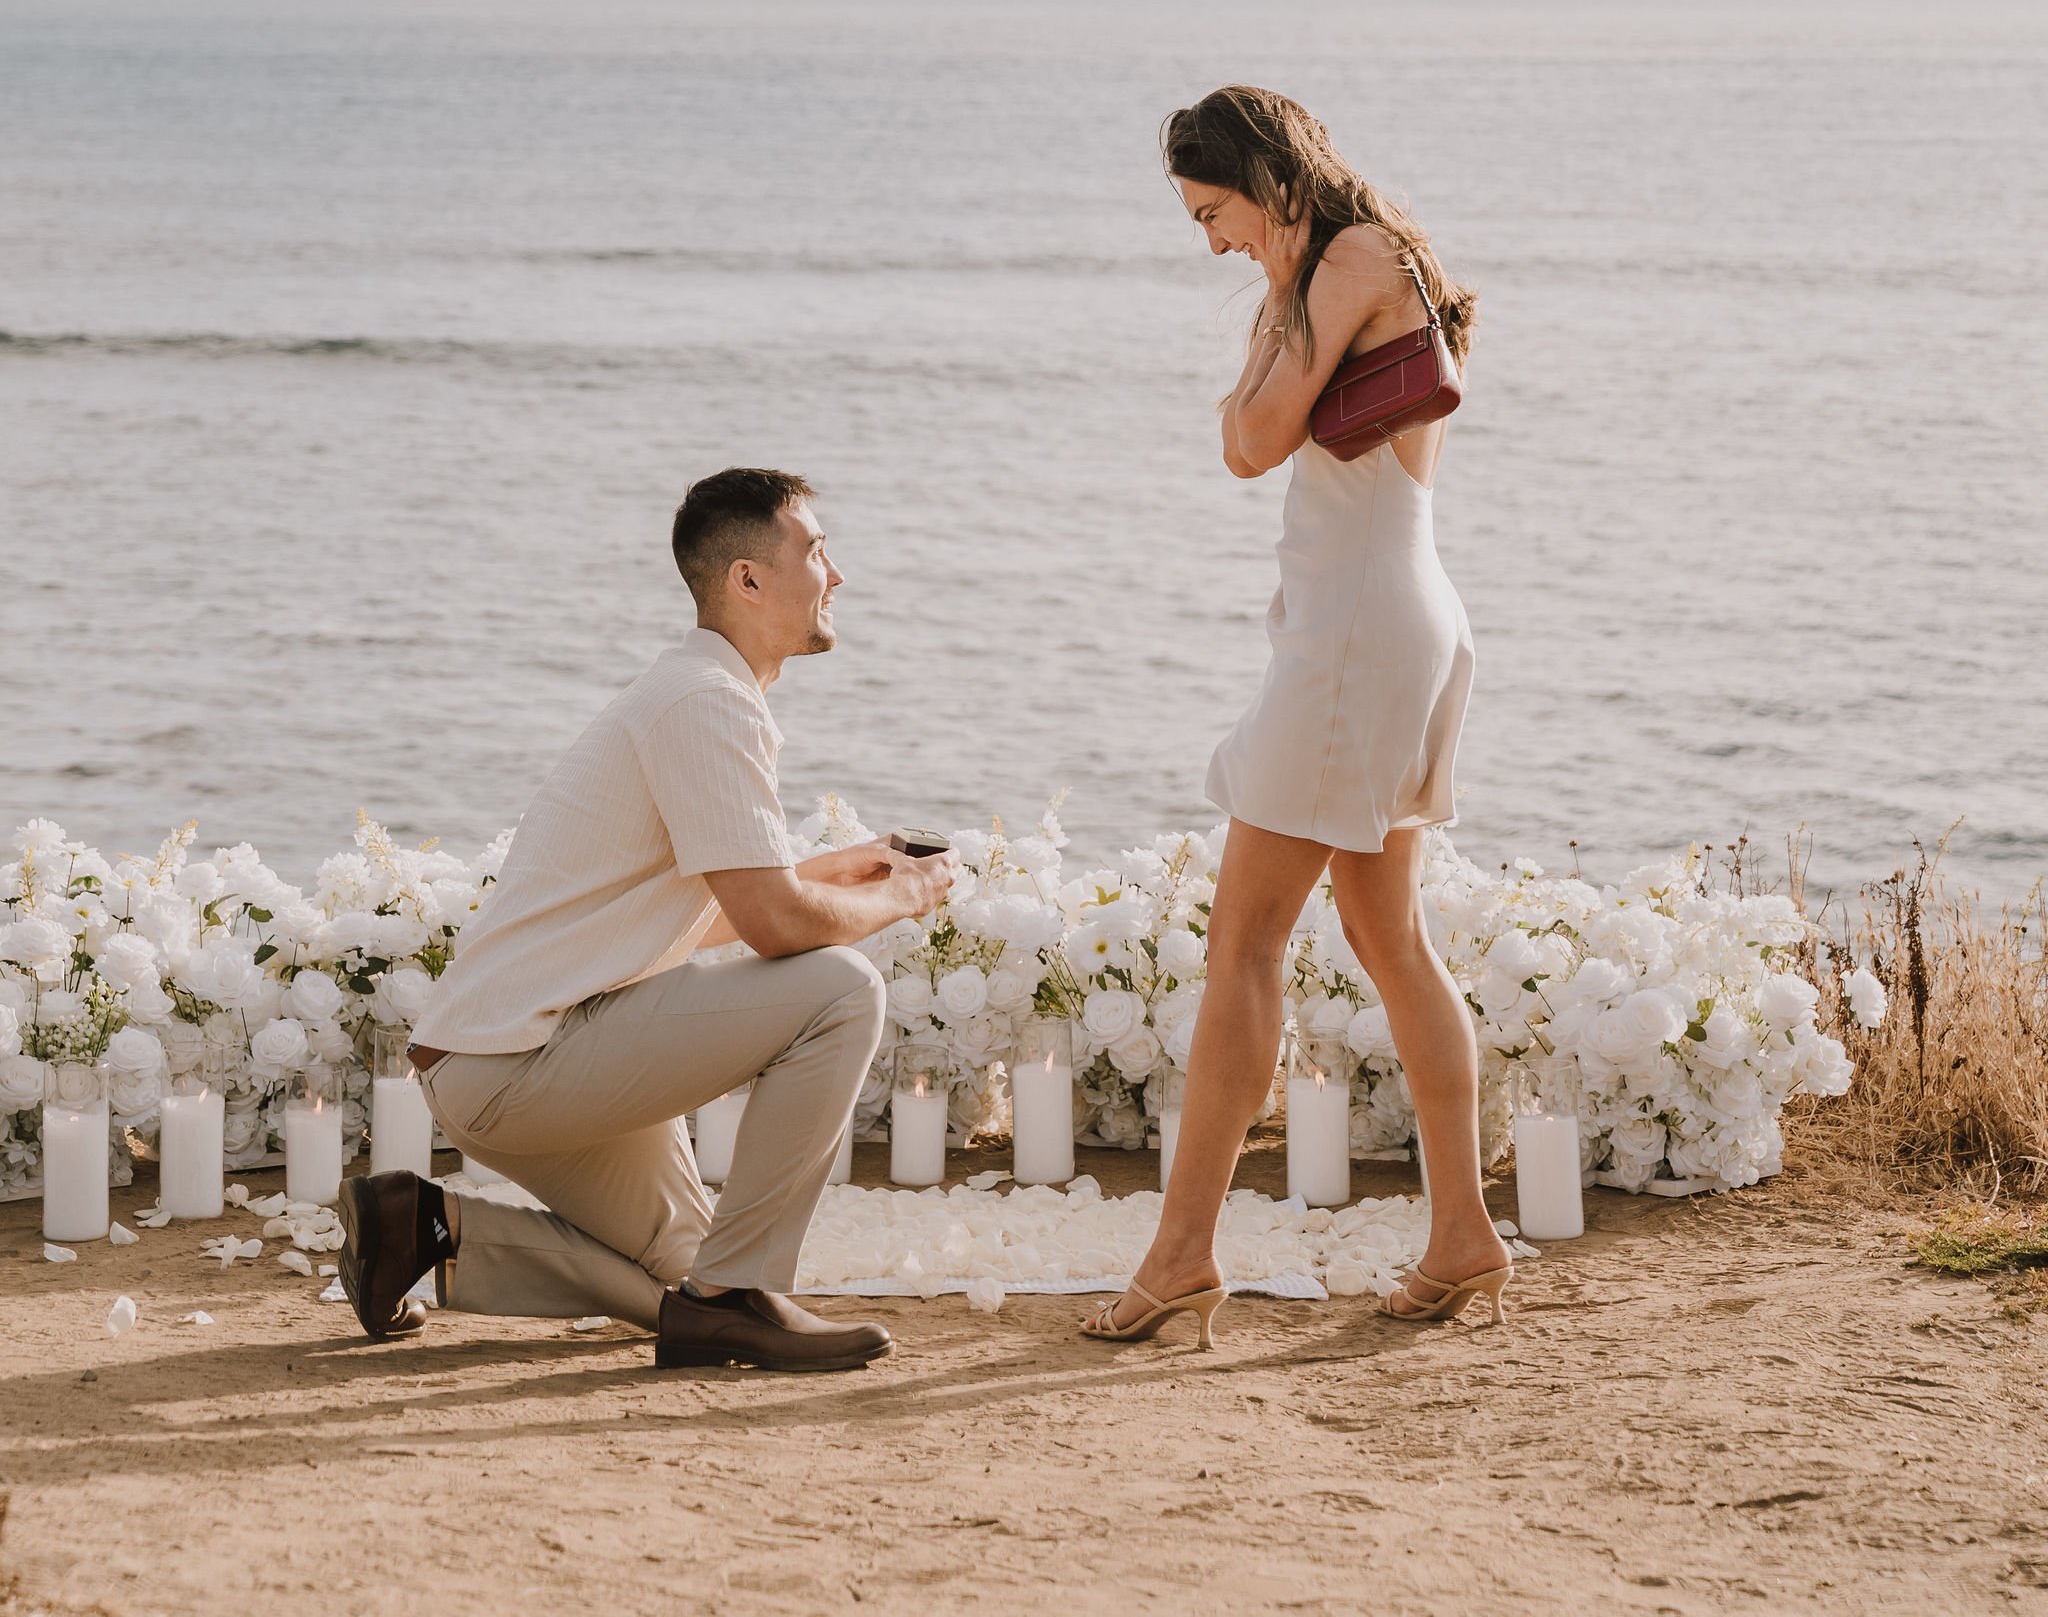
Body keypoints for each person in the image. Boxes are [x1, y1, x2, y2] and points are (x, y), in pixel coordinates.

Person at [336, 467, 956, 1373]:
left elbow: (686, 916)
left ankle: (419, 1227)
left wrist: (838, 868)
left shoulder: (694, 692)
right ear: (748, 579)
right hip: (523, 1062)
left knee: (683, 1273)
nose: (838, 573)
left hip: (511, 1057)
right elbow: (778, 927)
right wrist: (903, 895)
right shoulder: (705, 702)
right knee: (840, 988)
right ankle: (735, 1298)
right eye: (817, 551)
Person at [1082, 85, 1508, 1348]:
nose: (1210, 242)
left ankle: (1177, 1259)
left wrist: (1274, 318)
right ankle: (1462, 1237)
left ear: (1267, 179)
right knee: (1389, 940)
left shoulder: (1351, 259)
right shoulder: (1335, 264)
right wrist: (1275, 309)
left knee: (1243, 949)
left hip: (1355, 634)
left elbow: (1251, 437)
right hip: (1374, 614)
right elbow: (1251, 432)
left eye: (1213, 212)